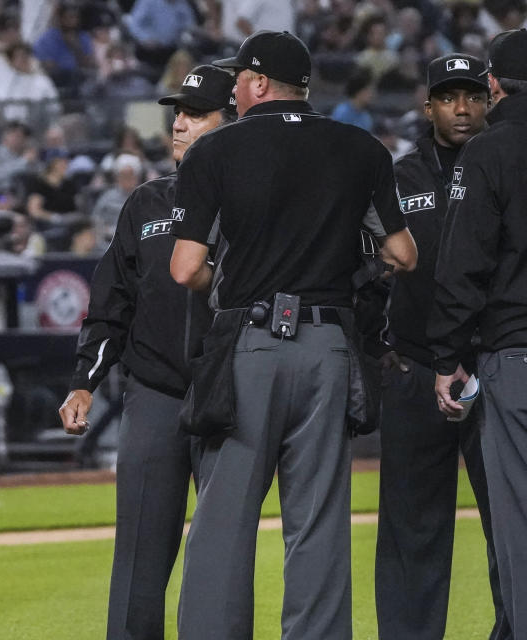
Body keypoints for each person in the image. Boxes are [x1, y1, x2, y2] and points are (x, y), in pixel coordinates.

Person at [169, 31, 417, 639]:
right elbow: (404, 255)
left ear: (255, 84)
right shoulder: (362, 148)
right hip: (329, 346)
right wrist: (353, 269)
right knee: (319, 522)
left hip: (250, 344)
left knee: (225, 519)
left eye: (237, 81)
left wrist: (229, 283)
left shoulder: (216, 151)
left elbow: (184, 269)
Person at [58, 64, 236, 640]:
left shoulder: (254, 202)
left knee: (223, 559)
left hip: (231, 392)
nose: (180, 124)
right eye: (177, 113)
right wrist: (85, 380)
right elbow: (110, 305)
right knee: (138, 554)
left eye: (196, 113)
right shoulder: (146, 203)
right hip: (155, 393)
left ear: (229, 121)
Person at [374, 53, 510, 640]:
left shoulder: (507, 167)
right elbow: (364, 267)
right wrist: (372, 343)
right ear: (427, 105)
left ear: (490, 100)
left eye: (474, 96)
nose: (463, 108)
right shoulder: (399, 178)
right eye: (449, 97)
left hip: (492, 367)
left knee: (510, 523)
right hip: (415, 367)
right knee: (411, 529)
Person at [428, 28, 527, 638]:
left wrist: (447, 354)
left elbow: (463, 265)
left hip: (514, 359)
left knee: (517, 522)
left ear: (493, 86)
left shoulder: (489, 152)